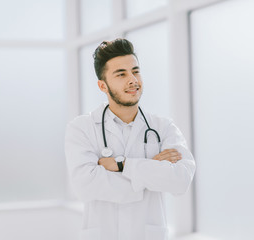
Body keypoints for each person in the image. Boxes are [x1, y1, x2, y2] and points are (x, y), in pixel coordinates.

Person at [64, 38, 196, 240]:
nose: (132, 80)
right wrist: (151, 170)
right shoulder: (82, 128)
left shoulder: (163, 127)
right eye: (121, 74)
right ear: (102, 86)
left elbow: (180, 181)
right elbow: (85, 186)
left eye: (135, 71)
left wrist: (122, 165)